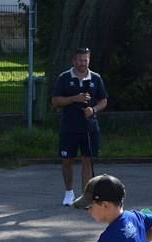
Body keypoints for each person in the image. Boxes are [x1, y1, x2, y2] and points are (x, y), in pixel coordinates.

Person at [51, 48, 108, 206]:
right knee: (67, 160)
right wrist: (74, 98)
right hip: (69, 127)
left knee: (87, 160)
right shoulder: (64, 77)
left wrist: (93, 109)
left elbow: (103, 100)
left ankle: (85, 195)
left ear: (89, 60)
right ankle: (69, 192)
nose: (83, 63)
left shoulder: (96, 78)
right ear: (74, 61)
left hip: (89, 127)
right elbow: (55, 100)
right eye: (80, 60)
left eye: (85, 60)